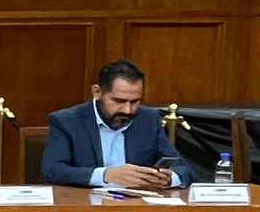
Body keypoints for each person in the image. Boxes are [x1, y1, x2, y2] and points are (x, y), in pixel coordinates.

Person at [41, 58, 194, 189]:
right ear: (97, 92)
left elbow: (183, 168)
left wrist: (169, 179)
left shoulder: (148, 119)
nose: (127, 110)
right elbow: (52, 170)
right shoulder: (67, 121)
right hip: (86, 206)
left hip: (138, 206)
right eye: (119, 101)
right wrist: (105, 175)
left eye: (135, 102)